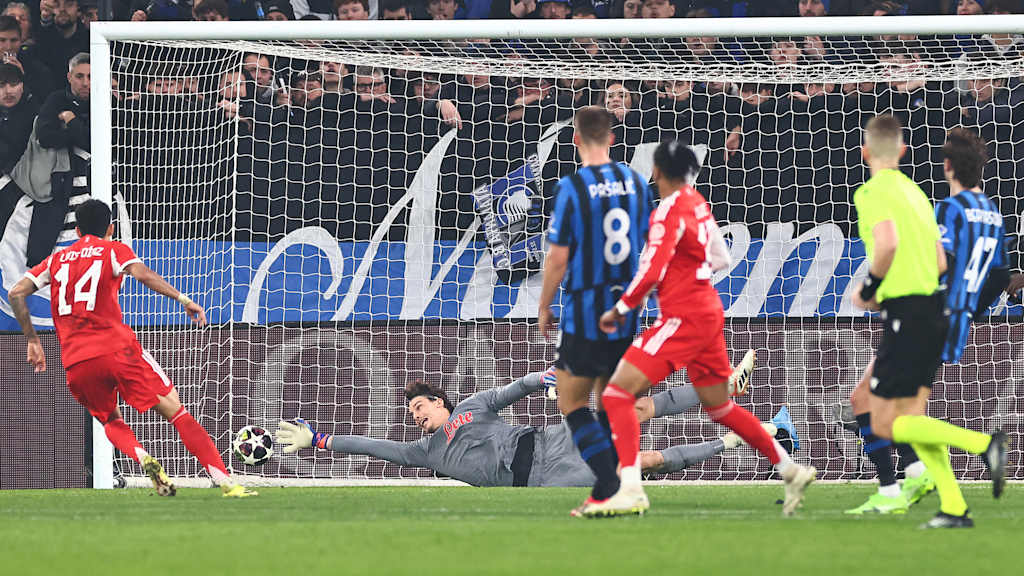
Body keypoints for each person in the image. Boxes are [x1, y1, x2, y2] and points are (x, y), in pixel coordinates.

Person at [591, 141, 817, 518]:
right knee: (721, 407)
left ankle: (629, 490)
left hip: (682, 317)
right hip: (709, 311)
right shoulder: (698, 204)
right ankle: (790, 469)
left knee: (615, 395)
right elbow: (720, 258)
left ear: (658, 172)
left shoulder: (665, 212)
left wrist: (621, 308)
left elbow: (651, 269)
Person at [6, 199, 257, 498]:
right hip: (117, 350)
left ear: (76, 229)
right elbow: (142, 274)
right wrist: (183, 299)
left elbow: (15, 292)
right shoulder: (113, 250)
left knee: (110, 419)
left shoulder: (57, 260)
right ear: (110, 228)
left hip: (76, 361)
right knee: (175, 410)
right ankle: (225, 480)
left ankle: (141, 457)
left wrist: (33, 340)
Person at [274, 361, 788, 488]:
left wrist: (541, 377)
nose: (416, 416)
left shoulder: (474, 405)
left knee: (629, 408)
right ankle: (740, 436)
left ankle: (722, 391)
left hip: (548, 439)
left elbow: (511, 391)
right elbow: (375, 448)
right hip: (544, 479)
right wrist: (320, 439)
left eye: (421, 407)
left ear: (441, 403)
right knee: (643, 463)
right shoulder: (425, 454)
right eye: (412, 413)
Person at [849, 115, 1007, 529]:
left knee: (884, 418)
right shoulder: (920, 195)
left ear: (865, 152)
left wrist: (870, 291)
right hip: (941, 315)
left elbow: (888, 247)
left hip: (913, 313)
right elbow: (942, 261)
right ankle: (951, 504)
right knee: (910, 415)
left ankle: (983, 444)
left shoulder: (877, 193)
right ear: (903, 152)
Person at [537, 105, 654, 514]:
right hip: (624, 311)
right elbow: (649, 246)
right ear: (613, 138)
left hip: (586, 309)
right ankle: (622, 489)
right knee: (611, 402)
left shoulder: (574, 186)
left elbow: (557, 257)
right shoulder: (636, 183)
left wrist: (544, 305)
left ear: (574, 139)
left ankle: (609, 483)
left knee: (570, 402)